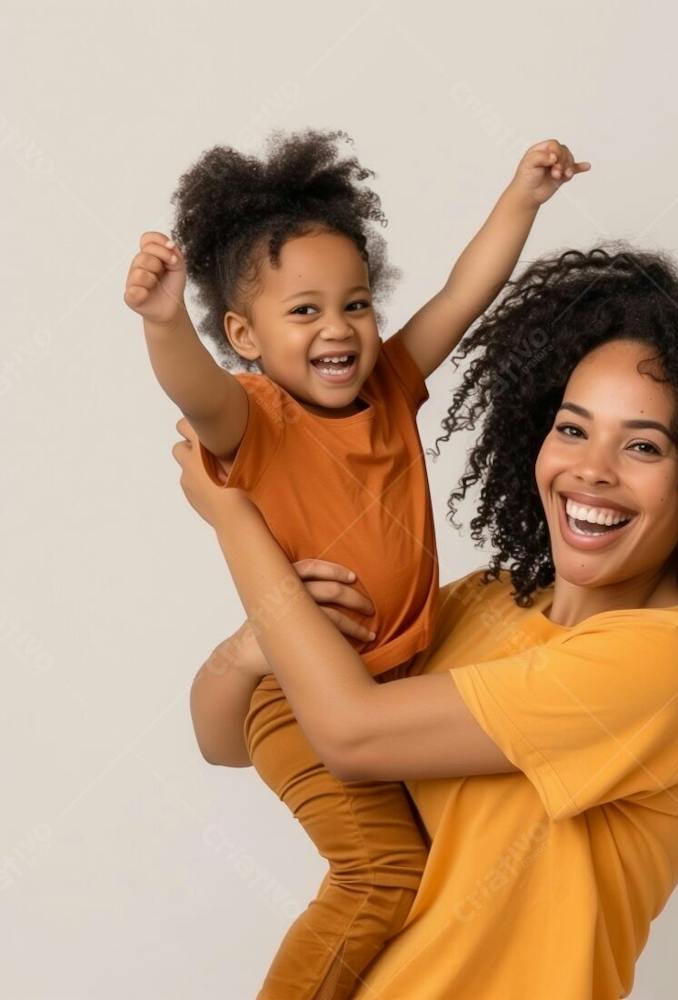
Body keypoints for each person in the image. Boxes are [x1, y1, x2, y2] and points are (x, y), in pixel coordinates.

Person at [174, 245, 678, 998]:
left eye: (642, 446)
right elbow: (223, 741)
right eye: (573, 429)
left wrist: (234, 520)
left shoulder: (665, 664)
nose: (592, 470)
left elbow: (350, 732)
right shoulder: (485, 602)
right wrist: (252, 649)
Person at [124, 128, 589, 999]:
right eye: (304, 311)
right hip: (301, 700)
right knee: (380, 876)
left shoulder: (391, 386)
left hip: (388, 691)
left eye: (356, 304)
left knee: (444, 883)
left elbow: (465, 291)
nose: (338, 329)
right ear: (244, 334)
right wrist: (161, 325)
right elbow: (195, 389)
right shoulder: (253, 420)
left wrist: (522, 197)